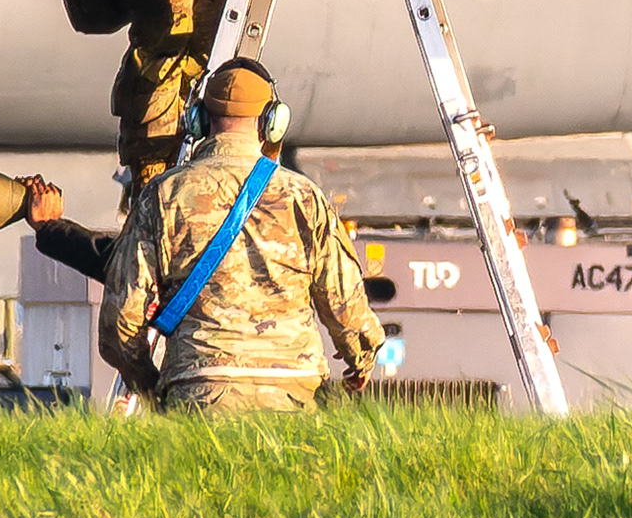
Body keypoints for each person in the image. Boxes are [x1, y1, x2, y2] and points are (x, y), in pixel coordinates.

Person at [22, 58, 383, 415]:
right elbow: (346, 305)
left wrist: (150, 384)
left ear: (197, 119)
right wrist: (360, 360)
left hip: (199, 391)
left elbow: (122, 318)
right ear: (272, 123)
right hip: (293, 390)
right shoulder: (305, 198)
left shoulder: (164, 196)